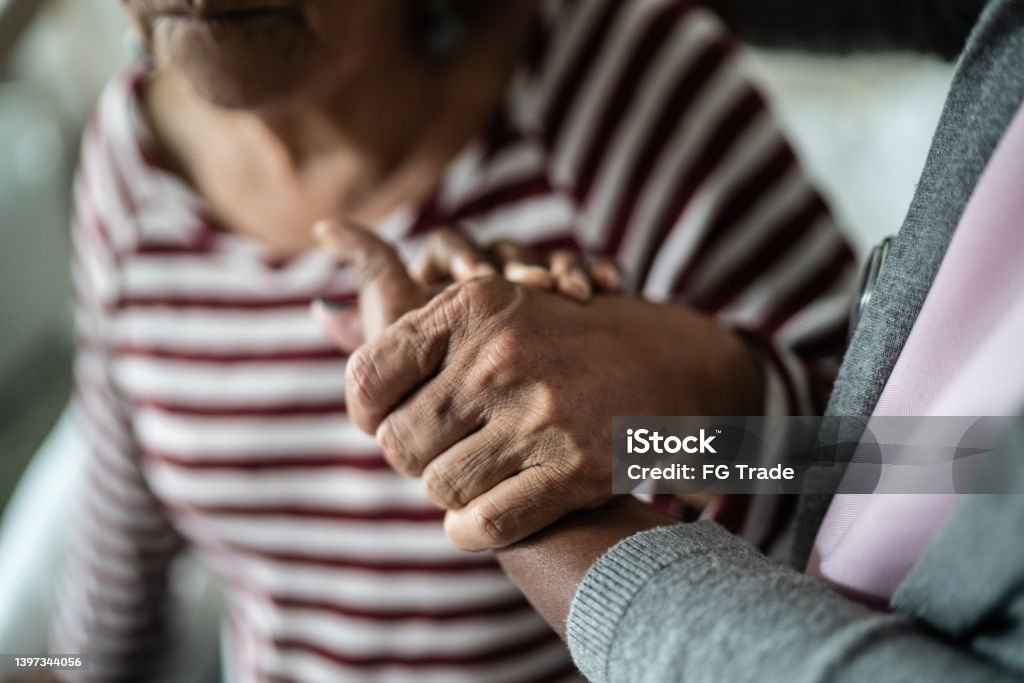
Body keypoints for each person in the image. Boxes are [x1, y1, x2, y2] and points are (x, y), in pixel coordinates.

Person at [50, 0, 853, 680]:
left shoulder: (626, 87)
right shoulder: (131, 161)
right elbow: (118, 556)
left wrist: (667, 412)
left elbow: (894, 472)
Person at [321, 0, 1024, 680]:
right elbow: (910, 464)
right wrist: (647, 421)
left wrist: (538, 445)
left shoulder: (623, 95)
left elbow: (842, 469)